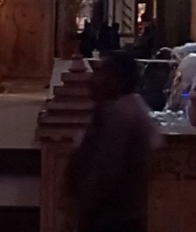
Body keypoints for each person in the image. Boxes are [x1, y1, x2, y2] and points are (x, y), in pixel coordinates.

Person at [66, 51, 163, 232]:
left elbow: (105, 169)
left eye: (102, 73)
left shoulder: (120, 114)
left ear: (119, 80)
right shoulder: (128, 107)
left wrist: (83, 204)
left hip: (112, 218)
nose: (93, 79)